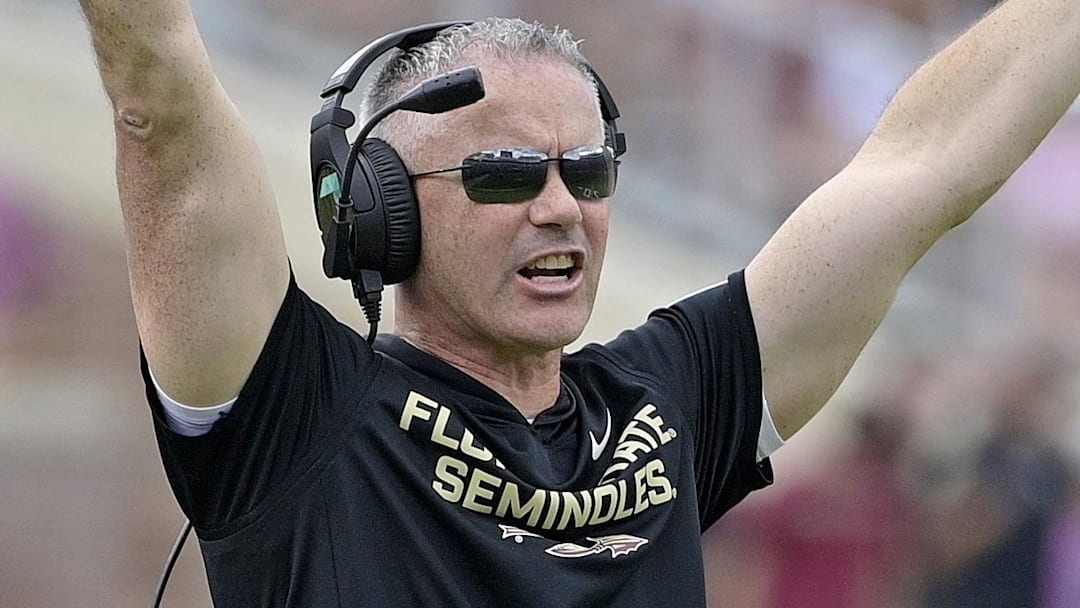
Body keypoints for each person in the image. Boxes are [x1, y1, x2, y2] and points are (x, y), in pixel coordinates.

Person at [77, 0, 1080, 606]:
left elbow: (925, 164)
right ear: (376, 211)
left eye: (589, 171)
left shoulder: (671, 397)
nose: (561, 207)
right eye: (506, 175)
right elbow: (159, 101)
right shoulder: (295, 409)